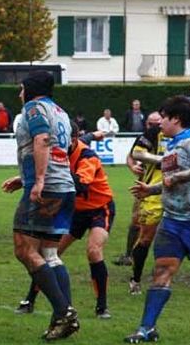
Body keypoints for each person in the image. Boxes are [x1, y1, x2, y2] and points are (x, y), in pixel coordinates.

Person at [1, 70, 78, 341]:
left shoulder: (33, 108)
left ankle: (63, 312)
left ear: (30, 90)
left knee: (24, 249)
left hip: (46, 189)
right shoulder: (62, 113)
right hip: (65, 187)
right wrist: (25, 179)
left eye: (21, 89)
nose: (19, 95)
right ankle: (65, 314)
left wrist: (39, 180)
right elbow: (61, 150)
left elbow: (43, 140)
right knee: (50, 253)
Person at [12, 127, 115, 319]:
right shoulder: (63, 148)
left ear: (73, 139)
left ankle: (102, 307)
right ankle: (30, 299)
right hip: (75, 211)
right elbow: (84, 137)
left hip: (99, 209)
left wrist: (57, 172)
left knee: (94, 250)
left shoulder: (87, 156)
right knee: (49, 255)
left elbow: (81, 184)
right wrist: (24, 180)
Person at [125, 95, 190, 343]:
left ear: (175, 119)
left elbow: (178, 178)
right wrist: (151, 190)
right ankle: (147, 328)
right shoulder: (174, 144)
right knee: (162, 270)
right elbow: (171, 179)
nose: (159, 123)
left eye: (163, 118)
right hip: (173, 221)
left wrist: (177, 179)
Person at [113, 112, 164, 267]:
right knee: (136, 220)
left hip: (170, 186)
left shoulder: (174, 137)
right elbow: (130, 156)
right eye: (150, 124)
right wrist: (133, 166)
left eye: (157, 124)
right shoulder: (144, 137)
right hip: (146, 186)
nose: (153, 127)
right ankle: (129, 255)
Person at [126, 111, 167, 295]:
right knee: (145, 237)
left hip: (183, 193)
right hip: (151, 192)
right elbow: (134, 154)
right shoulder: (153, 134)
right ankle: (135, 278)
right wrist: (163, 160)